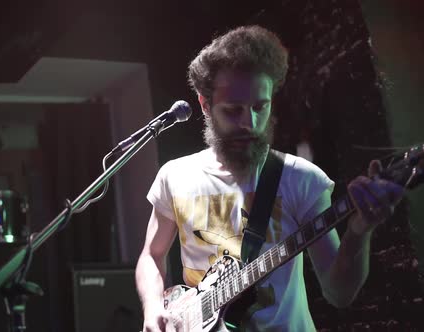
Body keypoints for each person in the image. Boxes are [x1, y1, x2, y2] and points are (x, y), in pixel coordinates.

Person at [135, 25, 404, 332]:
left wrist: (359, 231)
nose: (249, 123)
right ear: (205, 105)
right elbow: (151, 255)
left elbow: (339, 293)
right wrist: (153, 307)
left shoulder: (301, 179)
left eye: (259, 107)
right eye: (233, 110)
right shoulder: (175, 175)